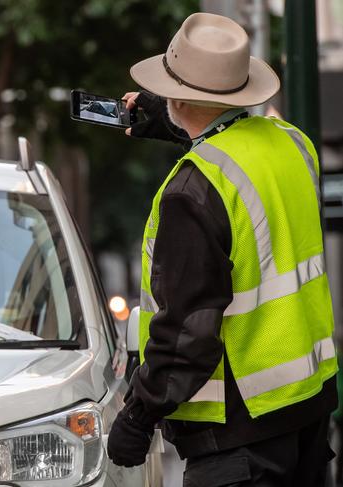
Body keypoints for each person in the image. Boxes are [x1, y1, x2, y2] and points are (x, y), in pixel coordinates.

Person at [107, 12, 338, 486]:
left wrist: (138, 417)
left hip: (237, 436)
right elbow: (243, 153)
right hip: (307, 412)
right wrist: (178, 125)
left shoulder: (191, 191)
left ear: (176, 97)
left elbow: (185, 333)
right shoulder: (294, 144)